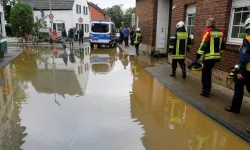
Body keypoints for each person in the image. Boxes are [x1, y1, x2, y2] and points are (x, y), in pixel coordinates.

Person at [225, 18, 250, 114]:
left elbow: (245, 57)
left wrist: (240, 71)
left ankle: (235, 108)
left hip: (246, 70)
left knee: (239, 87)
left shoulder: (248, 39)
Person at [196, 18, 226, 97]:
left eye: (206, 23)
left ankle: (205, 91)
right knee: (208, 72)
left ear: (209, 23)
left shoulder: (207, 31)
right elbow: (223, 46)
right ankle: (208, 89)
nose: (206, 24)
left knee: (205, 73)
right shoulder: (220, 32)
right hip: (215, 57)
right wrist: (220, 55)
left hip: (208, 57)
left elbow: (204, 44)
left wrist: (198, 55)